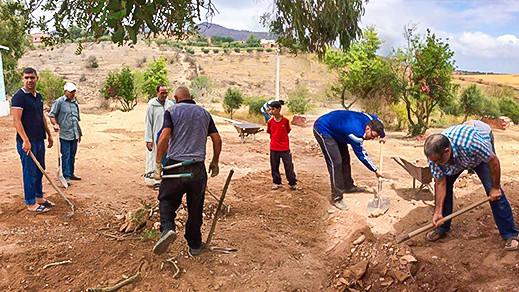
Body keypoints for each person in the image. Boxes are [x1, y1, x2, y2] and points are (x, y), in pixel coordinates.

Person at [423, 123, 519, 251]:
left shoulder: (472, 143)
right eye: (433, 161)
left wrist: (495, 188)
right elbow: (440, 183)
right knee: (445, 188)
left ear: (447, 151)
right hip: (458, 157)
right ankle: (442, 226)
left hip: (477, 155)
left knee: (494, 192)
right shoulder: (434, 156)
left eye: (437, 161)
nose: (434, 163)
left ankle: (510, 234)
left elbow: (494, 162)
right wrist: (438, 212)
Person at [152, 86, 222, 256]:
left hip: (176, 166)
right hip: (198, 168)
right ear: (191, 97)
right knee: (196, 207)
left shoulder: (171, 111)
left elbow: (164, 136)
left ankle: (168, 229)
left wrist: (158, 163)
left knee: (166, 200)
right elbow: (217, 139)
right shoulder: (204, 113)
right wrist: (214, 162)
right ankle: (195, 245)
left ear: (176, 98)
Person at [313, 110, 386, 211]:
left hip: (339, 130)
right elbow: (362, 155)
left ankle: (348, 186)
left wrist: (383, 135)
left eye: (376, 136)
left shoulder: (371, 119)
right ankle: (337, 197)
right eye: (372, 136)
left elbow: (379, 120)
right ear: (368, 128)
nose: (373, 139)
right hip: (324, 129)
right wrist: (375, 170)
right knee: (336, 162)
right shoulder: (355, 133)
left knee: (345, 159)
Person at [11, 67, 54, 213]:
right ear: (22, 79)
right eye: (27, 77)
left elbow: (41, 116)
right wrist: (25, 140)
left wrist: (49, 133)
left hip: (39, 140)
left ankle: (39, 197)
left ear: (37, 78)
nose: (29, 80)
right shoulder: (19, 97)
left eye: (32, 77)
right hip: (26, 143)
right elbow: (16, 120)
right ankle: (30, 203)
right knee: (29, 172)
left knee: (40, 170)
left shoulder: (39, 96)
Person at [48, 82, 82, 185]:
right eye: (71, 92)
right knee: (66, 155)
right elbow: (51, 115)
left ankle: (71, 173)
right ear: (65, 91)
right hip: (64, 134)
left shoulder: (75, 103)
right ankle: (66, 176)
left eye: (74, 91)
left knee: (72, 155)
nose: (73, 94)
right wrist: (55, 124)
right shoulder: (59, 102)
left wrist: (79, 133)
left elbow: (76, 120)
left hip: (74, 134)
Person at [144, 84, 175, 190]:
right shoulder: (152, 105)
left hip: (168, 137)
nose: (164, 95)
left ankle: (165, 180)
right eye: (162, 93)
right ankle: (156, 180)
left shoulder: (170, 104)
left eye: (166, 93)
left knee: (167, 157)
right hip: (155, 136)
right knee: (155, 157)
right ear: (157, 93)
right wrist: (148, 139)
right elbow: (148, 123)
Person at [267, 101, 302, 191]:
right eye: (271, 109)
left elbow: (287, 131)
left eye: (273, 109)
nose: (271, 111)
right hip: (274, 148)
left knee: (289, 166)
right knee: (274, 166)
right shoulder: (270, 122)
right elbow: (270, 133)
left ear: (279, 109)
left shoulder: (286, 121)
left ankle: (292, 183)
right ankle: (276, 182)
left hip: (285, 148)